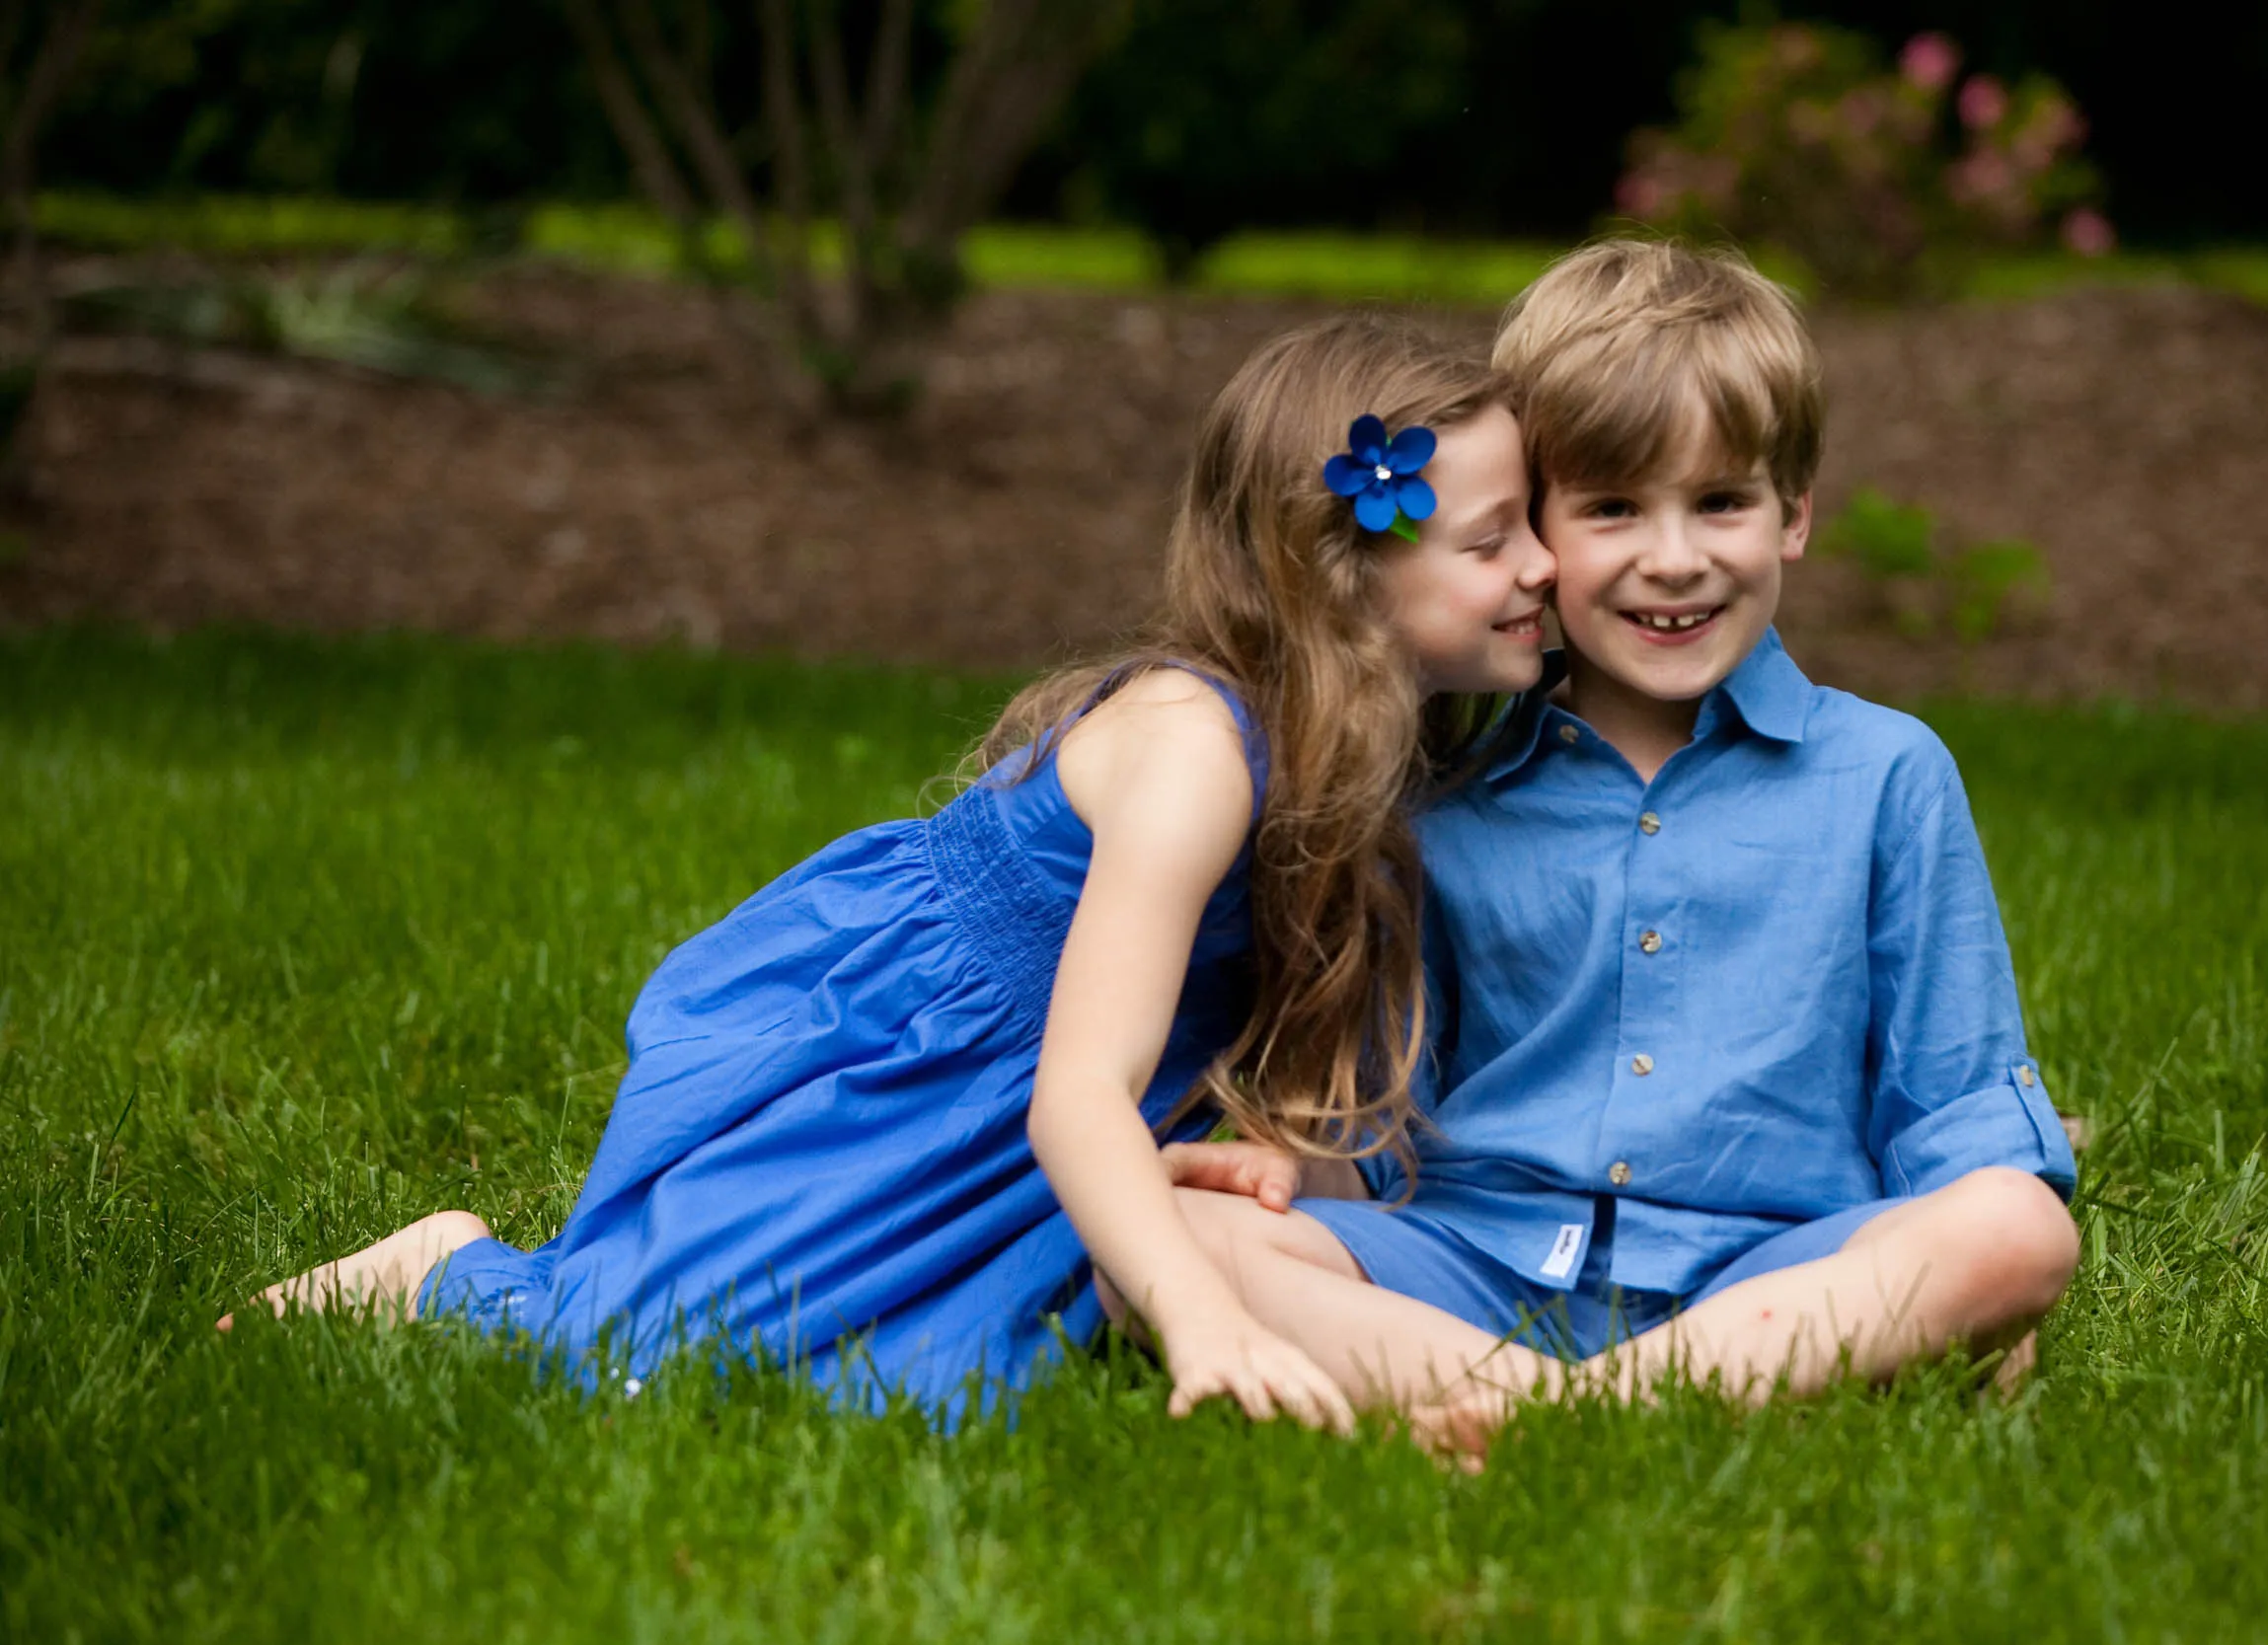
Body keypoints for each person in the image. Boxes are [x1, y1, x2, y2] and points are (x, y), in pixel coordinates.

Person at [222, 315, 1558, 1431]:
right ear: (1344, 567)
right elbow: (1079, 1092)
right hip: (915, 1062)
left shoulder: (1384, 771)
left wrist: (1278, 1173)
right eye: (1494, 539)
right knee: (647, 1367)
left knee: (905, 1389)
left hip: (1046, 1116)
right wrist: (1202, 1318)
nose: (1543, 566)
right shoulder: (1196, 748)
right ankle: (445, 1271)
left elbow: (1315, 1085)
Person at [1160, 241, 2082, 1447]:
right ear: (1532, 531)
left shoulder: (1885, 776)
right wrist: (1284, 1167)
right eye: (1611, 508)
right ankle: (1563, 1406)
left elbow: (1952, 1104)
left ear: (1794, 513)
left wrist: (1972, 1277)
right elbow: (1379, 1127)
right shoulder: (1443, 797)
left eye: (1721, 502)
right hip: (1481, 1261)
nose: (1673, 558)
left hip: (1770, 1279)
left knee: (2016, 1227)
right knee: (1169, 1236)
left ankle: (1540, 1411)